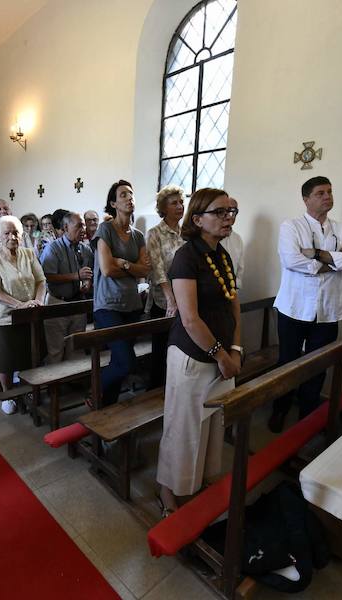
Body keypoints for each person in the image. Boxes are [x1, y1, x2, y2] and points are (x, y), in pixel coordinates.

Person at [156, 188, 242, 515]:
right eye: (220, 212)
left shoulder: (222, 253)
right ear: (197, 219)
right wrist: (223, 356)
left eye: (231, 211)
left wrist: (235, 349)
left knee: (212, 425)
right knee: (183, 428)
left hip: (221, 357)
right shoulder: (186, 256)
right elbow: (189, 318)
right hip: (192, 357)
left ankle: (199, 483)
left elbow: (233, 302)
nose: (228, 217)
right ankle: (168, 492)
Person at [269, 176, 342, 432]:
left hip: (329, 309)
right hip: (294, 307)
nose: (327, 196)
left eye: (330, 192)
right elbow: (291, 260)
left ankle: (308, 415)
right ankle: (280, 409)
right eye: (320, 192)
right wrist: (335, 261)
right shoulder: (291, 226)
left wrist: (317, 254)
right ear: (306, 199)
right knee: (287, 362)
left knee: (318, 364)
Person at [92, 180, 150, 406]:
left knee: (118, 360)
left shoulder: (137, 236)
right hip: (108, 305)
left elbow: (145, 270)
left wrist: (124, 264)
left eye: (131, 194)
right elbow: (106, 269)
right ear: (113, 203)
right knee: (126, 363)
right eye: (123, 195)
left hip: (132, 304)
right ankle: (94, 391)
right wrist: (131, 267)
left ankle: (106, 407)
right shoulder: (105, 229)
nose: (129, 198)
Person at [0, 216, 45, 411]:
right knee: (6, 360)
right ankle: (8, 395)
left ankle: (27, 390)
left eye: (15, 232)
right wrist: (19, 305)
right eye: (7, 233)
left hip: (31, 313)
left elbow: (41, 281)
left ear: (22, 234)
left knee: (29, 354)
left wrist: (38, 301)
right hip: (5, 317)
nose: (12, 237)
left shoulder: (28, 254)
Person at [145, 185, 186, 390]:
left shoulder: (187, 233)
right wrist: (171, 300)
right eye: (174, 203)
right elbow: (157, 269)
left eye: (181, 202)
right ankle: (154, 393)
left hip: (186, 300)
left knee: (180, 349)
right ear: (163, 207)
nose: (180, 206)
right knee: (161, 350)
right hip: (163, 302)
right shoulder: (155, 233)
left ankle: (176, 388)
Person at [40, 212, 94, 364]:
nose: (83, 229)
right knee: (56, 351)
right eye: (78, 226)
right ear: (65, 227)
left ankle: (72, 384)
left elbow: (88, 275)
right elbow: (47, 276)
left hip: (78, 304)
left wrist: (87, 283)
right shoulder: (53, 248)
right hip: (58, 303)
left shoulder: (86, 250)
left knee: (76, 350)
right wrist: (75, 276)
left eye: (83, 225)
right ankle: (54, 386)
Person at [223, 197, 245, 289]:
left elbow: (240, 268)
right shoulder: (210, 238)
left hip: (232, 291)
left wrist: (236, 285)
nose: (230, 216)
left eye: (234, 211)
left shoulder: (237, 238)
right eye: (227, 211)